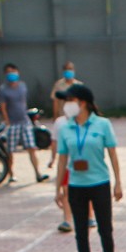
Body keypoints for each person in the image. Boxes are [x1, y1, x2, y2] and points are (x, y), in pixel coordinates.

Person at [53, 83, 122, 252]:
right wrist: (58, 188)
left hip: (99, 182)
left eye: (70, 100)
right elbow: (62, 159)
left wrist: (118, 182)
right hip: (76, 185)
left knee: (104, 229)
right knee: (80, 232)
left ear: (82, 103)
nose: (66, 105)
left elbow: (112, 154)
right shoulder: (65, 127)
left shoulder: (102, 124)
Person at [0, 62, 45, 183]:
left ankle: (38, 173)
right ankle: (11, 174)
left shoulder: (22, 86)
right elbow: (3, 107)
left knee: (31, 148)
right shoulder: (3, 90)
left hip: (25, 120)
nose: (11, 74)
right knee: (10, 150)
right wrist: (6, 120)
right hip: (12, 123)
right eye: (8, 72)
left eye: (13, 71)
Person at [50, 62, 81, 229]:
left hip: (83, 163)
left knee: (85, 192)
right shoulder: (60, 123)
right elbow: (56, 144)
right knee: (67, 191)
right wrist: (52, 159)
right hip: (68, 164)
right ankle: (67, 219)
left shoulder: (88, 123)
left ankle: (89, 215)